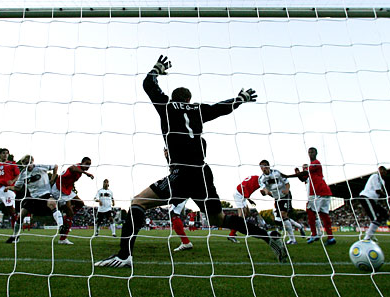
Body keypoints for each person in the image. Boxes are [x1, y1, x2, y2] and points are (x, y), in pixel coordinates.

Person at [95, 55, 286, 268]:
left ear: (174, 98)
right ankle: (269, 237)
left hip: (182, 173)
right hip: (203, 173)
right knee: (219, 219)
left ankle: (124, 256)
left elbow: (148, 84)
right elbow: (220, 108)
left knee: (137, 203)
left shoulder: (167, 108)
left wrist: (157, 69)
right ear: (188, 100)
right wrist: (240, 98)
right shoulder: (198, 109)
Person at [5, 155, 62, 243]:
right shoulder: (23, 174)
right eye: (25, 163)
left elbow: (55, 166)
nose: (28, 164)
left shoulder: (40, 167)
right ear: (23, 164)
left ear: (32, 161)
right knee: (21, 215)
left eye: (29, 162)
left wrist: (52, 178)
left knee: (52, 203)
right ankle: (15, 236)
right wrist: (9, 187)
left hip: (45, 194)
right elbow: (17, 188)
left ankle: (61, 226)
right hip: (33, 197)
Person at [284, 148, 336, 245]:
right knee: (324, 215)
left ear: (316, 153)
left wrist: (287, 176)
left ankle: (314, 234)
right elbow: (303, 178)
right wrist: (297, 173)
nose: (310, 154)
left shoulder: (315, 163)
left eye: (312, 152)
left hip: (318, 193)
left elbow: (304, 173)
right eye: (309, 152)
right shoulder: (311, 173)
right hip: (325, 193)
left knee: (310, 211)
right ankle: (330, 237)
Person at [51, 157, 94, 245]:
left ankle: (66, 218)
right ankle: (62, 239)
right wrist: (86, 173)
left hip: (67, 190)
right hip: (59, 190)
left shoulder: (79, 170)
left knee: (80, 203)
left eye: (89, 165)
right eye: (86, 164)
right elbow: (72, 168)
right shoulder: (76, 167)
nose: (88, 166)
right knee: (70, 213)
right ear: (81, 163)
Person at [258, 160, 297, 245]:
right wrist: (264, 193)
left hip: (285, 195)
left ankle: (293, 239)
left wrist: (287, 190)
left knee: (283, 215)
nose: (263, 168)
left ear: (268, 166)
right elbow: (265, 190)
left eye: (264, 166)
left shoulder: (277, 173)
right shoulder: (261, 179)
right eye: (261, 167)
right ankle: (298, 228)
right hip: (276, 198)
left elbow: (287, 182)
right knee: (280, 218)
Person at [357, 166, 389, 241]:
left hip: (373, 200)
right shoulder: (375, 176)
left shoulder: (382, 181)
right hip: (367, 197)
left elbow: (379, 193)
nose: (385, 173)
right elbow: (378, 190)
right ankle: (367, 238)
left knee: (384, 214)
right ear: (380, 170)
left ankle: (370, 233)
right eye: (383, 171)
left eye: (386, 171)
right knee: (375, 218)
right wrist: (387, 196)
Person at [227, 175, 261, 243]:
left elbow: (246, 186)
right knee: (241, 216)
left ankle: (236, 229)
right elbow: (244, 186)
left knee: (247, 213)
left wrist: (249, 200)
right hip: (238, 194)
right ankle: (231, 234)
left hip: (242, 195)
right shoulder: (258, 181)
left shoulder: (255, 177)